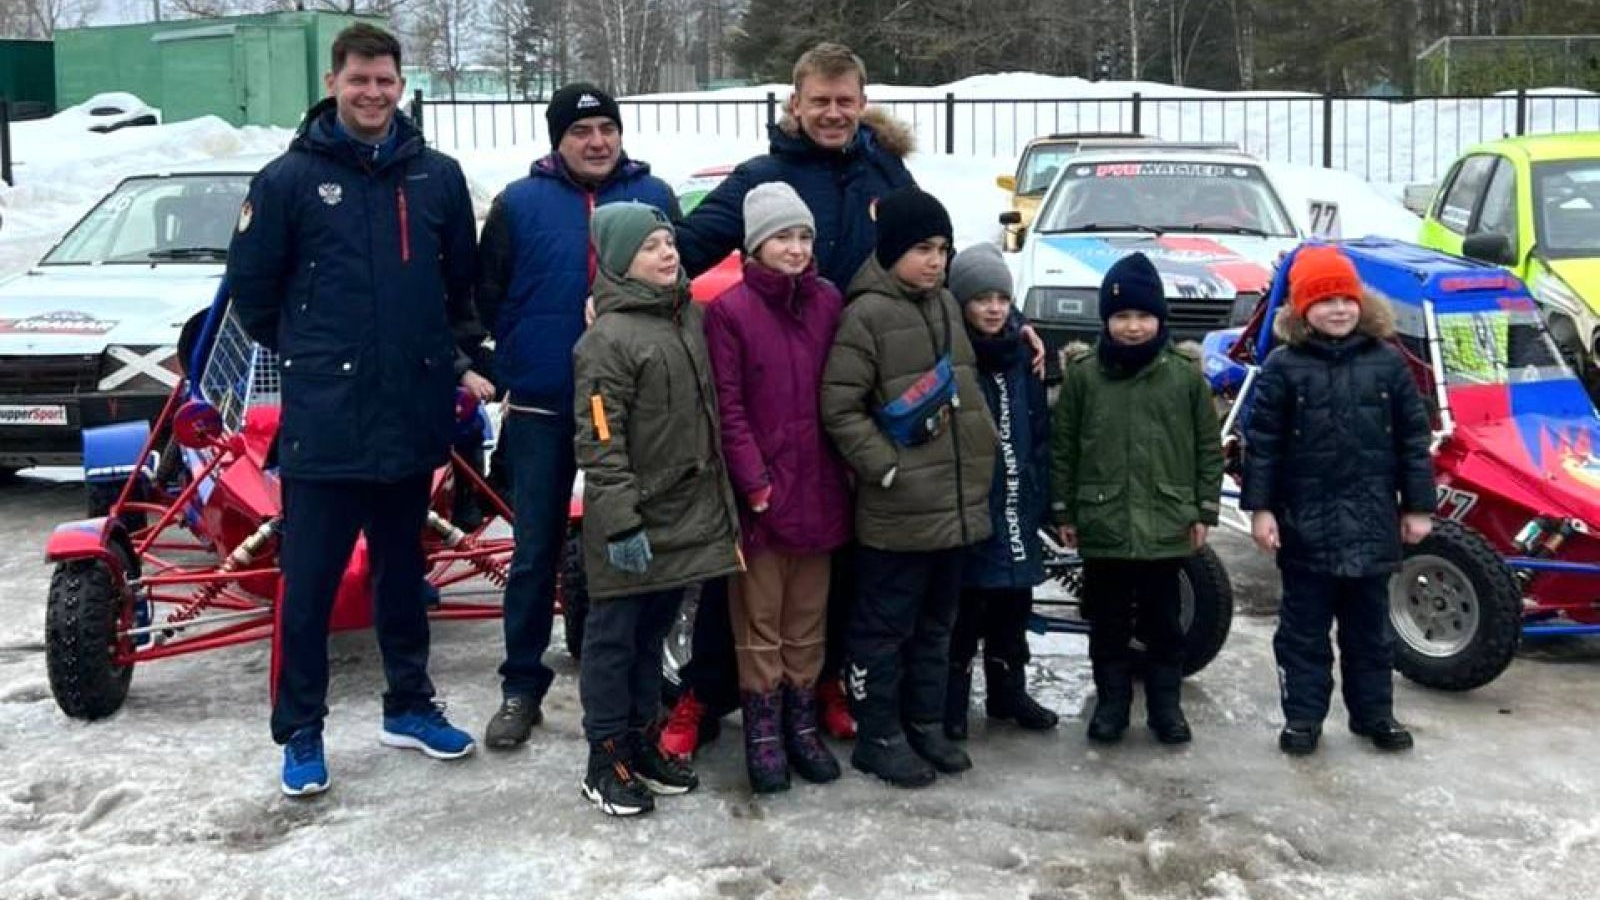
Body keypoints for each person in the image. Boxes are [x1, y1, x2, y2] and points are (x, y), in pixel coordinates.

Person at [227, 23, 478, 797]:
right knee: (309, 583)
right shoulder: (287, 180)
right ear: (334, 82)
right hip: (328, 420)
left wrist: (443, 361)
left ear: (402, 86)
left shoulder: (437, 176)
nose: (373, 93)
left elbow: (459, 288)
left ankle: (409, 705)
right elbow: (254, 297)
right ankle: (301, 729)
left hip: (411, 411)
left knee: (403, 575)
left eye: (386, 80)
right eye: (359, 79)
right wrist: (319, 352)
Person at [475, 83, 679, 749]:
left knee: (631, 544)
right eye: (581, 131)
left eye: (606, 129)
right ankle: (521, 686)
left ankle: (635, 692)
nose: (597, 142)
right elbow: (487, 292)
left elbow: (679, 289)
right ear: (557, 139)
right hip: (543, 405)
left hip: (631, 412)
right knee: (534, 551)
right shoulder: (519, 203)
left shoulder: (653, 199)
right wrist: (497, 364)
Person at [821, 187, 998, 788]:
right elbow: (840, 407)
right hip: (898, 512)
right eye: (923, 248)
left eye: (943, 249)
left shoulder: (946, 305)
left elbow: (969, 379)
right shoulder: (865, 315)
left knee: (935, 627)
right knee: (883, 630)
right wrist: (885, 466)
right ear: (894, 248)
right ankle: (880, 734)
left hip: (953, 504)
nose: (936, 261)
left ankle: (924, 724)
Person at [572, 201, 741, 816]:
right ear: (619, 261)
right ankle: (604, 757)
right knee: (614, 642)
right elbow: (599, 436)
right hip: (633, 521)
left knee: (652, 638)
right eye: (650, 247)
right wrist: (619, 520)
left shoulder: (687, 318)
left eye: (669, 242)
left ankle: (643, 740)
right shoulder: (606, 341)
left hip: (685, 518)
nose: (668, 254)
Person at [1240, 245, 1434, 756]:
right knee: (1303, 634)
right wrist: (1261, 510)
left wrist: (1417, 506)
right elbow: (1263, 446)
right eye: (1325, 302)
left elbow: (1413, 440)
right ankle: (1304, 718)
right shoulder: (1284, 367)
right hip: (1306, 525)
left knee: (1369, 633)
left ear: (1362, 304)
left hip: (1372, 524)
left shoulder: (1388, 363)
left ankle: (1375, 715)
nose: (1338, 311)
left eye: (1346, 300)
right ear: (1302, 309)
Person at [704, 182, 853, 793]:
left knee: (808, 617)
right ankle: (762, 733)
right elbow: (728, 407)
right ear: (755, 245)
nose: (795, 249)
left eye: (803, 237)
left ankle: (801, 725)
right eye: (782, 238)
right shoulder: (730, 312)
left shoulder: (827, 301)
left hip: (819, 485)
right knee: (760, 619)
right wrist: (754, 482)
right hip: (764, 493)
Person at [1051, 252, 1223, 747]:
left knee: (1163, 624)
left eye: (1143, 316)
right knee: (1106, 623)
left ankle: (1166, 709)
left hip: (1166, 524)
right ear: (1107, 320)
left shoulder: (1183, 376)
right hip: (1103, 521)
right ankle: (1111, 706)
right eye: (1122, 316)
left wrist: (1203, 508)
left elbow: (1206, 448)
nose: (1132, 327)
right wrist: (1066, 508)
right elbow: (1065, 446)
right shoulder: (1085, 375)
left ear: (1160, 320)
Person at [943, 243, 1058, 741]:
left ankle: (1008, 690)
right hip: (972, 503)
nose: (993, 309)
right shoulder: (952, 352)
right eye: (981, 299)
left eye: (1002, 299)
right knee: (966, 613)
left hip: (1018, 501)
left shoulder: (1022, 354)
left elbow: (1041, 430)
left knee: (1014, 605)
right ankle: (952, 701)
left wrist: (1046, 494)